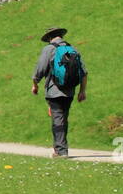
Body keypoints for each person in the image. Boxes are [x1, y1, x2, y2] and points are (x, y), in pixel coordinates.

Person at [31, 27, 87, 157]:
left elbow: (39, 71)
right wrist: (82, 91)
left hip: (54, 91)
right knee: (63, 119)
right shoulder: (73, 49)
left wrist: (35, 85)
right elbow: (84, 73)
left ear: (50, 38)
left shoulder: (49, 49)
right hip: (70, 91)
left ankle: (61, 151)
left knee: (58, 119)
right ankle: (61, 148)